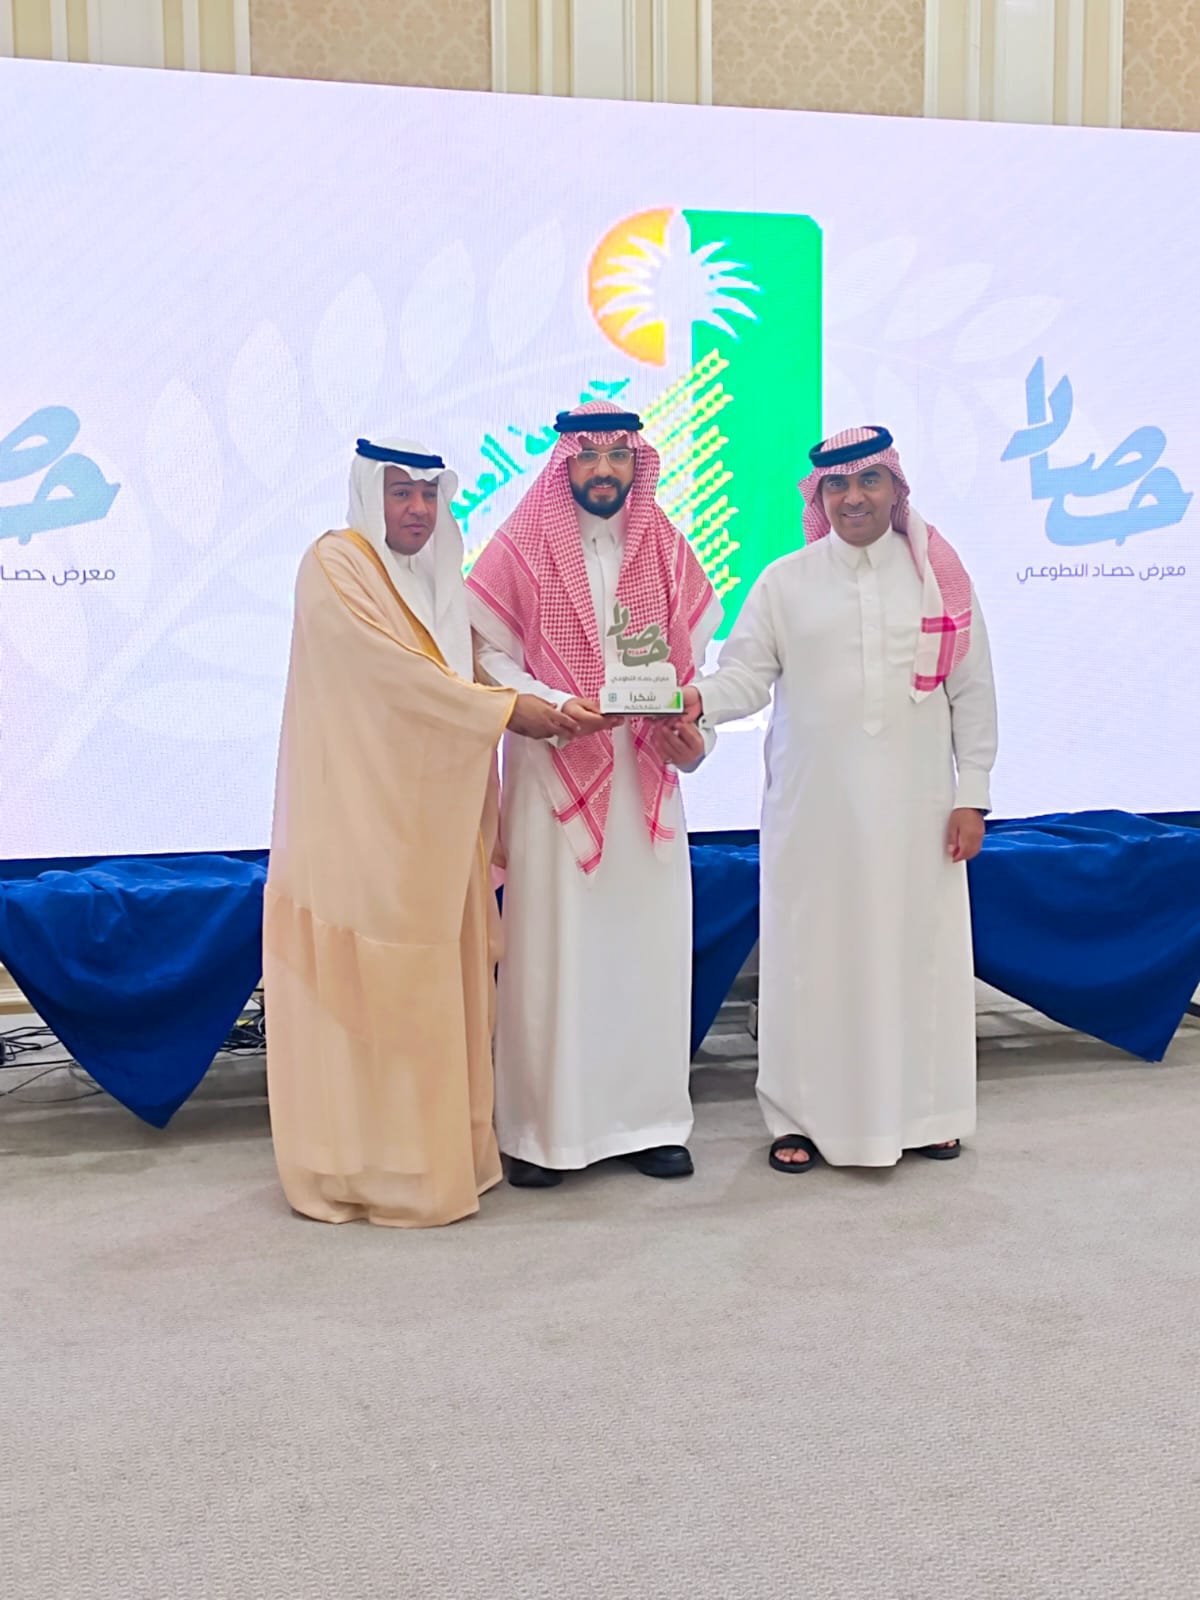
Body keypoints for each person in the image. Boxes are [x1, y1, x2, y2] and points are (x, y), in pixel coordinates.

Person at [264, 437, 574, 1227]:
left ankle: (438, 1158)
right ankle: (365, 1169)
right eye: (400, 492)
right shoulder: (336, 564)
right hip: (361, 819)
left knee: (438, 986)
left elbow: (470, 670)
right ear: (370, 495)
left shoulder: (441, 580)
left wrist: (547, 704)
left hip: (437, 822)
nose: (417, 510)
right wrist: (505, 712)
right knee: (372, 988)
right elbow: (392, 675)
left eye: (429, 495)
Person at [683, 425, 997, 1173]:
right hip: (814, 810)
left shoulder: (939, 581)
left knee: (918, 954)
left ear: (895, 488)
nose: (853, 498)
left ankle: (928, 1112)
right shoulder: (784, 581)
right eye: (837, 486)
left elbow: (973, 690)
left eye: (868, 481)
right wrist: (691, 700)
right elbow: (744, 678)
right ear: (818, 496)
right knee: (811, 958)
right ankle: (800, 1118)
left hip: (919, 810)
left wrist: (974, 794)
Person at [466, 400, 721, 1187]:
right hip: (552, 772)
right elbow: (484, 656)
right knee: (554, 953)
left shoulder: (667, 549)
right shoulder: (520, 545)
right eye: (588, 456)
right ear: (565, 464)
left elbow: (692, 672)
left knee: (645, 951)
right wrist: (548, 704)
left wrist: (697, 736)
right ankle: (543, 1133)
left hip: (647, 776)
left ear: (636, 465)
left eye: (618, 457)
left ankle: (651, 1123)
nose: (604, 471)